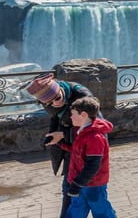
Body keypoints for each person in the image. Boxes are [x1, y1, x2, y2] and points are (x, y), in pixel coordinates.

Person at [25, 73, 94, 218]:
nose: (55, 103)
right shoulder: (49, 101)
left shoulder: (83, 97)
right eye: (49, 103)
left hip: (87, 151)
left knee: (86, 193)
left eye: (57, 98)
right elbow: (56, 118)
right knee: (69, 189)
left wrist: (62, 135)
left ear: (60, 89)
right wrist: (54, 136)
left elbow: (93, 129)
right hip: (70, 148)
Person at [44, 97, 116, 218]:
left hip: (93, 185)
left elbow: (93, 165)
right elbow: (78, 152)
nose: (70, 117)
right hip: (79, 182)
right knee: (75, 211)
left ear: (83, 115)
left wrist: (77, 184)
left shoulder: (95, 137)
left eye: (72, 114)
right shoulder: (83, 131)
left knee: (101, 212)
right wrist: (59, 143)